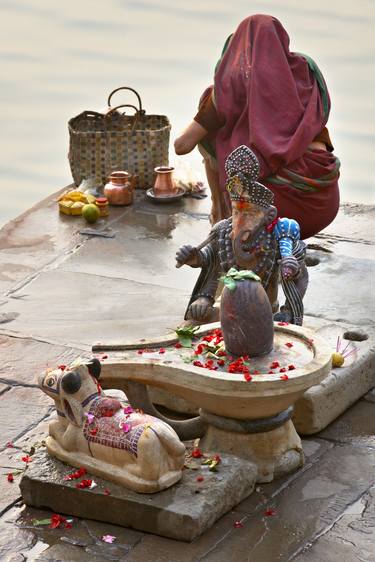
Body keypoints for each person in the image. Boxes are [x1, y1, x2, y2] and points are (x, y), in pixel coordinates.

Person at [174, 14, 340, 239]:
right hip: (323, 207)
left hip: (269, 213)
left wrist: (212, 108)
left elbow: (181, 146)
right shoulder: (303, 81)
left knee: (214, 125)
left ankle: (220, 209)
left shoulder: (227, 92)